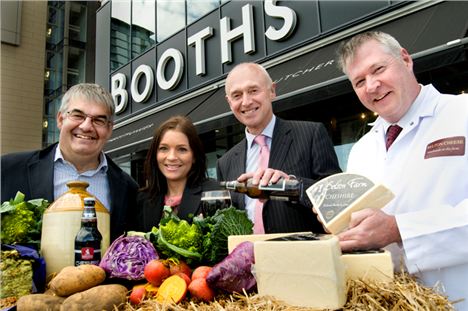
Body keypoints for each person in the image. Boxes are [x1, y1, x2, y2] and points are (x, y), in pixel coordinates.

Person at [336, 31, 468, 309]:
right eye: (359, 81)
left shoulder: (462, 113)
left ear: (405, 59)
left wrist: (399, 230)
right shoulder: (361, 150)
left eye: (378, 69)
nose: (371, 86)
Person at [1, 83, 139, 241]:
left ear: (109, 129)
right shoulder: (8, 170)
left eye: (99, 120)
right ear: (60, 119)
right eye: (78, 115)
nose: (87, 126)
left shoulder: (128, 189)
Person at [217, 62, 342, 234]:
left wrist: (294, 185)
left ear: (272, 91)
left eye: (253, 90)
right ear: (229, 102)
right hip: (247, 259)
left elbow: (338, 199)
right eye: (237, 95)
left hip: (303, 256)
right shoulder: (225, 162)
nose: (246, 102)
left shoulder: (311, 134)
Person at [129, 115, 219, 232]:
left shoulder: (213, 193)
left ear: (194, 156)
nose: (171, 157)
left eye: (182, 149)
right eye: (164, 148)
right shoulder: (142, 199)